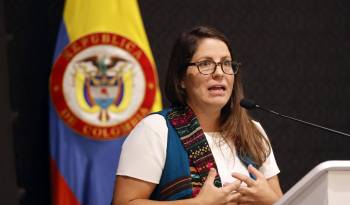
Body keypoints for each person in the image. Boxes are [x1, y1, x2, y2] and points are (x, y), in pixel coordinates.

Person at [113, 25, 283, 205]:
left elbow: (283, 200)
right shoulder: (155, 130)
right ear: (181, 79)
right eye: (206, 64)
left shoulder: (252, 131)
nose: (219, 73)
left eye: (226, 63)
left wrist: (270, 200)